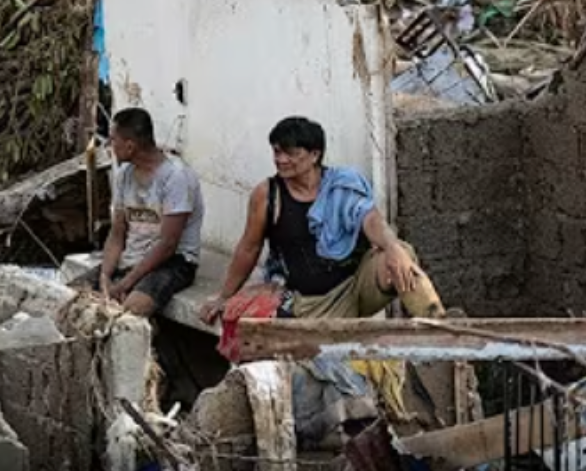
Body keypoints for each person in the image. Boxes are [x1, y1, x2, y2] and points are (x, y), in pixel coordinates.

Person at [200, 116, 444, 324]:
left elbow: (371, 219)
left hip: (355, 287)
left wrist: (392, 247)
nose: (281, 159)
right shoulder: (267, 195)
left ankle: (439, 326)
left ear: (314, 154)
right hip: (306, 304)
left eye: (291, 153)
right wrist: (224, 296)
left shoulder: (342, 185)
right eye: (277, 151)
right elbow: (249, 247)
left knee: (401, 254)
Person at [90, 107, 205, 317]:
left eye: (113, 140)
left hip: (174, 262)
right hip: (133, 257)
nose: (109, 146)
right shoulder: (124, 174)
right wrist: (105, 276)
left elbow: (168, 245)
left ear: (130, 146)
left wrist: (126, 283)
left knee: (129, 313)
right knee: (77, 298)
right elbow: (117, 233)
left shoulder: (176, 177)